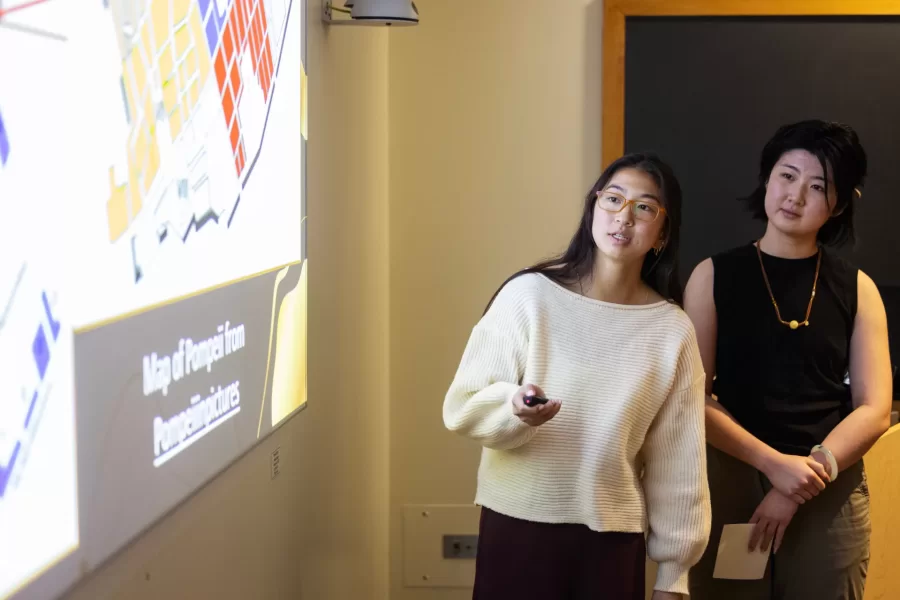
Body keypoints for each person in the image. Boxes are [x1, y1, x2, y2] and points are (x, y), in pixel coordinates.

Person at [443, 153, 711, 600]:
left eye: (645, 207)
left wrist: (674, 575)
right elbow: (463, 405)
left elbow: (679, 460)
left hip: (611, 540)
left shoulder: (671, 329)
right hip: (517, 527)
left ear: (663, 233)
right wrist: (514, 410)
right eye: (613, 199)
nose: (624, 217)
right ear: (593, 208)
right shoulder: (528, 295)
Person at [685, 120, 893, 600]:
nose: (795, 196)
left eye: (817, 186)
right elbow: (693, 396)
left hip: (829, 482)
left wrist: (801, 480)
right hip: (734, 476)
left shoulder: (859, 288)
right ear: (767, 178)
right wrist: (774, 466)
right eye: (787, 175)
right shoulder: (711, 276)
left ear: (838, 205)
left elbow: (875, 408)